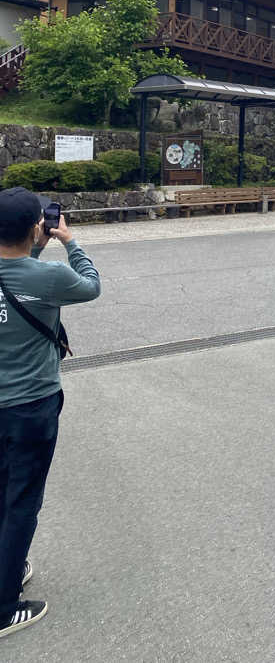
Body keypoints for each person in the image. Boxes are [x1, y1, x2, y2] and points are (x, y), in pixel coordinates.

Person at [0, 187, 100, 639]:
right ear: (36, 227)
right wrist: (71, 242)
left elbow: (16, 270)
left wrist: (32, 246)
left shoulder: (30, 272)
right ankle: (4, 608)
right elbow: (90, 285)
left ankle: (8, 566)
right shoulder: (49, 278)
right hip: (32, 407)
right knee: (22, 503)